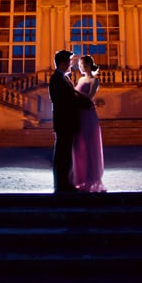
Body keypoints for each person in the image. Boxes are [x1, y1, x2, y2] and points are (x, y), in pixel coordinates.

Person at [48, 49, 93, 194]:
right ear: (62, 63)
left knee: (65, 154)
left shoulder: (64, 78)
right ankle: (62, 185)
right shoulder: (56, 79)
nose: (70, 64)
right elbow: (65, 100)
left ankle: (64, 183)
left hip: (67, 122)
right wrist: (86, 104)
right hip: (64, 122)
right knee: (62, 154)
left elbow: (71, 97)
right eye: (68, 62)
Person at [70, 55, 106, 193]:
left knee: (89, 146)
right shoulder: (80, 79)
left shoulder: (94, 80)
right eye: (79, 65)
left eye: (82, 65)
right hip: (79, 113)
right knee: (79, 146)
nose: (80, 67)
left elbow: (89, 97)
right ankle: (80, 178)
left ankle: (91, 178)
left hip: (88, 114)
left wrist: (73, 92)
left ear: (89, 65)